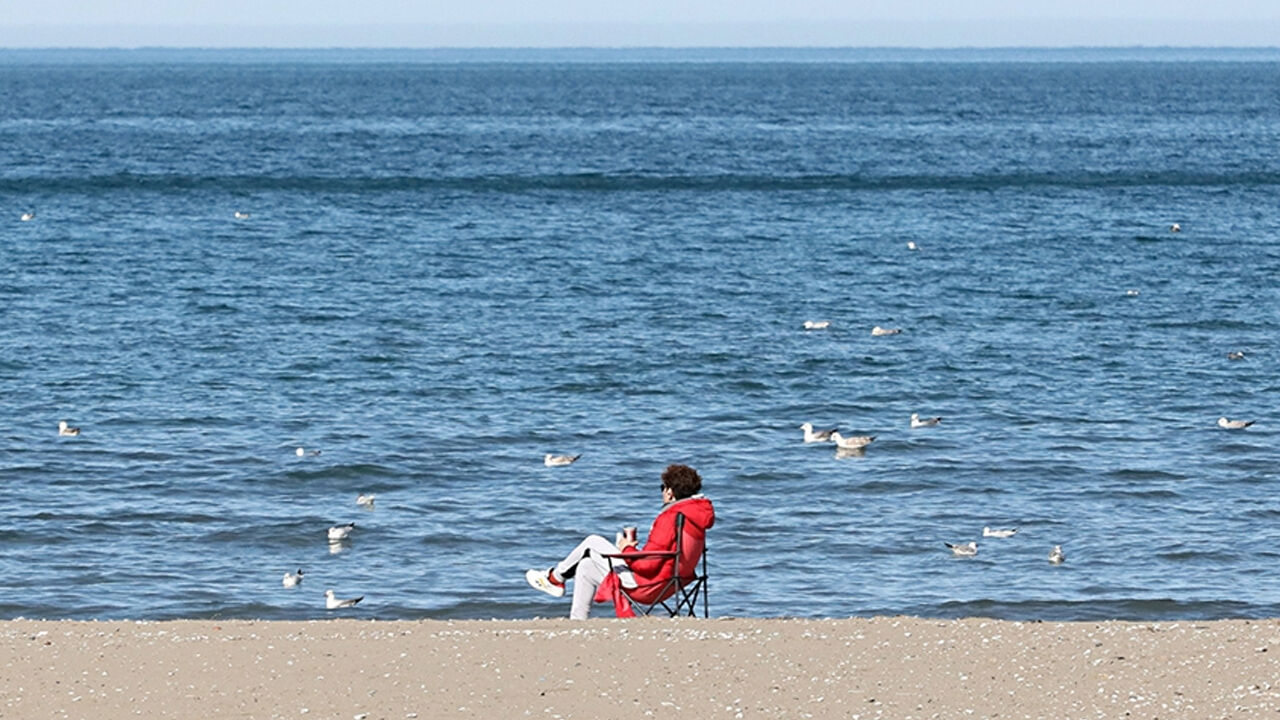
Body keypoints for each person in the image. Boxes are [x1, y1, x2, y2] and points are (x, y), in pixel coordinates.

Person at [525, 463, 715, 619]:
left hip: (648, 586)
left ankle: (554, 578)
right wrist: (634, 551)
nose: (662, 492)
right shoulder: (694, 516)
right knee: (587, 565)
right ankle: (577, 622)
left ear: (670, 492)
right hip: (671, 583)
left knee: (592, 541)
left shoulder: (670, 517)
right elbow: (665, 556)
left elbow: (648, 566)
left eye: (662, 488)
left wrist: (626, 549)